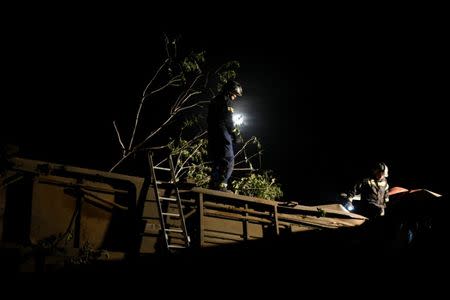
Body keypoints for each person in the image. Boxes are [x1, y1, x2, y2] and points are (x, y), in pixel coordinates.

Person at [207, 80, 243, 192]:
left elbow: (209, 119)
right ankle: (222, 184)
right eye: (234, 94)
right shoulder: (226, 101)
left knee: (217, 159)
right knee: (228, 158)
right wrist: (234, 134)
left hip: (213, 134)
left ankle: (214, 183)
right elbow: (228, 120)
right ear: (229, 92)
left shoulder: (214, 100)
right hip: (222, 132)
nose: (235, 97)